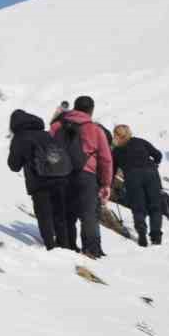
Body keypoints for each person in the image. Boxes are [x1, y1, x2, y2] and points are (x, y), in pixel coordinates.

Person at [48, 95, 113, 259]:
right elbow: (105, 159)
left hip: (61, 173)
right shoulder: (95, 129)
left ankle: (66, 245)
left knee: (65, 211)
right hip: (86, 175)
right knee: (88, 213)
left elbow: (49, 149)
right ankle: (91, 250)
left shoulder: (57, 125)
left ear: (75, 107)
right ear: (91, 110)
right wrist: (106, 183)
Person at [6, 110, 72, 250]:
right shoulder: (45, 134)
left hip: (39, 182)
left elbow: (14, 165)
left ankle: (50, 246)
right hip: (59, 178)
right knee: (59, 213)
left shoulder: (19, 137)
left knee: (44, 214)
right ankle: (65, 246)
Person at [112, 125, 165, 247]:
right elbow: (158, 155)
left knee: (138, 207)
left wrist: (110, 184)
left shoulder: (116, 151)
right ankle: (156, 236)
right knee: (155, 206)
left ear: (116, 136)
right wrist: (155, 164)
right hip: (151, 174)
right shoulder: (140, 142)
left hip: (132, 178)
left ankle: (141, 232)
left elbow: (113, 170)